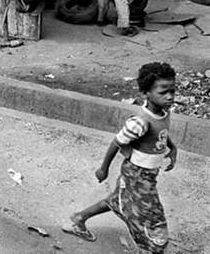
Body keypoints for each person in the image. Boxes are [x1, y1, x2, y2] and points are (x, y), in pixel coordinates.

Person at [62, 62, 178, 253]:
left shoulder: (163, 112)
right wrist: (103, 169)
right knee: (153, 219)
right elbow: (116, 142)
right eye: (163, 92)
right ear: (146, 93)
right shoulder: (140, 122)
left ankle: (79, 219)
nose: (170, 97)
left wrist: (172, 148)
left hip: (148, 174)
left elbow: (162, 132)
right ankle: (151, 248)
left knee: (118, 200)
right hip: (138, 176)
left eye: (172, 91)